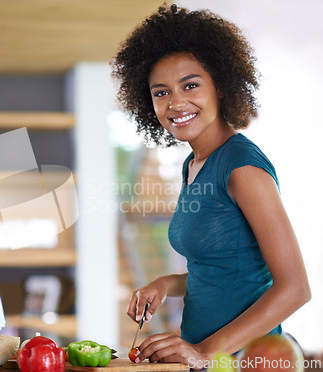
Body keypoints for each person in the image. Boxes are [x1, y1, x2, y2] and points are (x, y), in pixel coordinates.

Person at [111, 3, 311, 368]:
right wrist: (166, 283)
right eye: (161, 92)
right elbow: (226, 271)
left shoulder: (241, 167)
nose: (175, 102)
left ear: (220, 85)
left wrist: (204, 351)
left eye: (190, 85)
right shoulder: (194, 165)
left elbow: (295, 288)